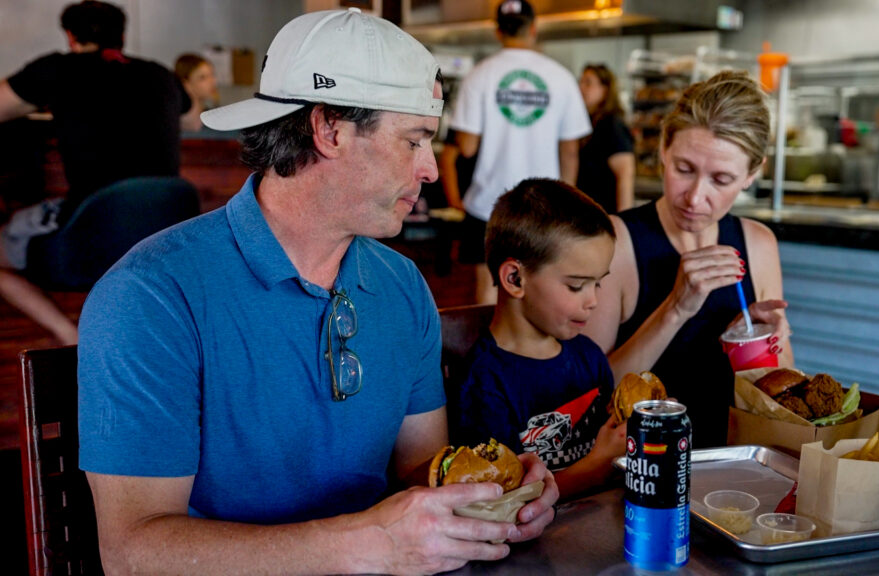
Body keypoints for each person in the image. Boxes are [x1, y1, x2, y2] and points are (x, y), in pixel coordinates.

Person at [77, 9, 557, 575]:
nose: (430, 169)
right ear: (329, 129)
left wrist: (489, 500)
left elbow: (420, 471)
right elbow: (133, 552)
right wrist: (373, 543)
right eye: (414, 141)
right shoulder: (151, 296)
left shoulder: (401, 284)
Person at [581, 70, 794, 449]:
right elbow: (587, 396)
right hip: (638, 465)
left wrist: (765, 343)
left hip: (732, 462)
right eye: (684, 169)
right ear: (664, 146)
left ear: (752, 174)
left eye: (722, 179)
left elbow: (778, 402)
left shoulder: (758, 244)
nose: (695, 198)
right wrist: (676, 308)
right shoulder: (615, 241)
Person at [0, 0, 189, 345]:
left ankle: (71, 338)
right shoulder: (161, 74)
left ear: (71, 37)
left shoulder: (57, 69)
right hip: (164, 239)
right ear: (123, 36)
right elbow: (191, 120)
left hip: (88, 232)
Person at [452, 178, 625, 501]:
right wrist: (599, 463)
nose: (593, 301)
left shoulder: (589, 357)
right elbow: (506, 501)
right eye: (577, 286)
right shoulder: (484, 384)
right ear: (515, 279)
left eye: (598, 284)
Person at [449, 0, 592, 305]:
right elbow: (570, 150)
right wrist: (565, 200)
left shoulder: (480, 75)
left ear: (498, 31)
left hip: (487, 205)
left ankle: (490, 352)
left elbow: (466, 146)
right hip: (543, 208)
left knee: (488, 290)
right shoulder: (561, 77)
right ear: (534, 29)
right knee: (538, 288)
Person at [577, 63, 636, 214]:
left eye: (588, 83)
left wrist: (623, 219)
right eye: (581, 81)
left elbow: (625, 174)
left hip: (605, 214)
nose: (581, 87)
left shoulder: (611, 125)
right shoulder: (586, 122)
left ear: (605, 89)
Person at [175, 52, 219, 133]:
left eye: (212, 75)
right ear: (186, 83)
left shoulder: (210, 117)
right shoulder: (177, 122)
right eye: (202, 77)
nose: (212, 81)